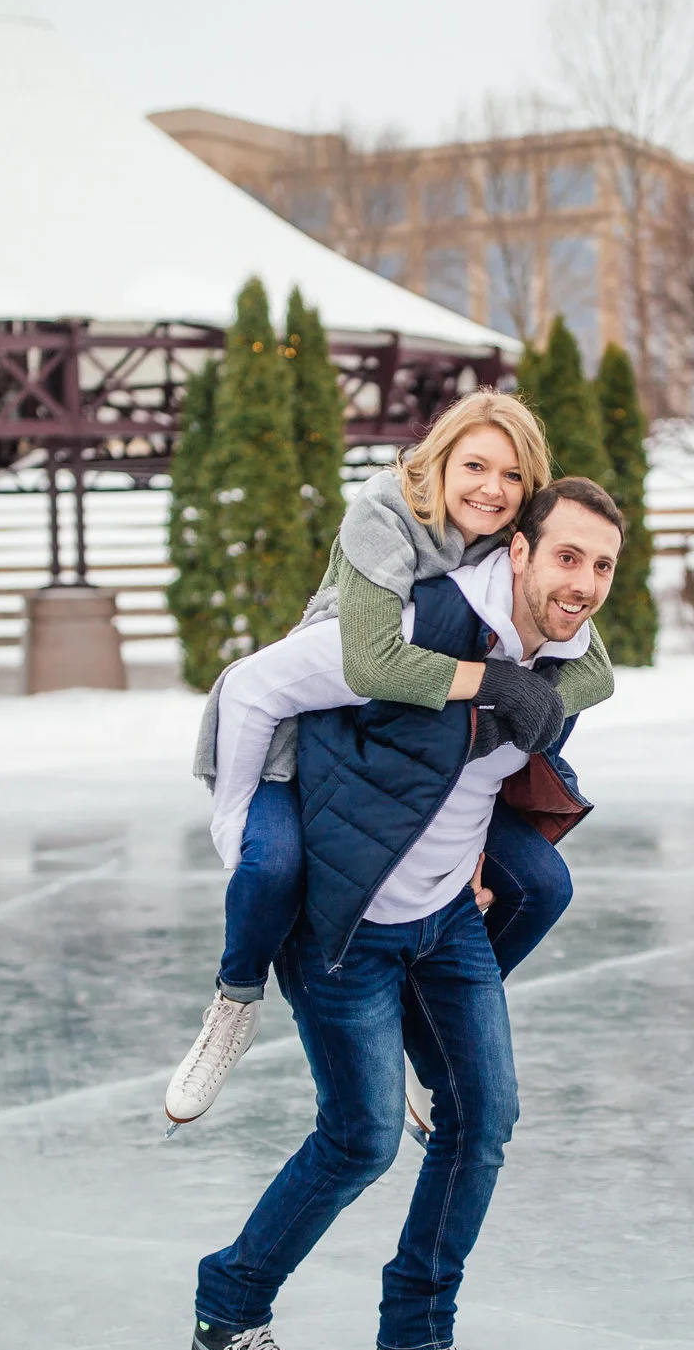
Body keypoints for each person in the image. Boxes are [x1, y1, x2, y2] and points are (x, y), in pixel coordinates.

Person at [185, 478, 626, 1350]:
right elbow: (253, 688)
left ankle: (415, 1342)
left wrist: (475, 857)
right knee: (362, 1136)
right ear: (516, 551)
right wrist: (245, 845)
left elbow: (487, 778)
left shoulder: (557, 658)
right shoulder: (412, 626)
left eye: (601, 564)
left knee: (483, 1117)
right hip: (345, 924)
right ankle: (228, 1315)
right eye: (566, 556)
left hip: (446, 924)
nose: (583, 582)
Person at [168, 392, 615, 1128]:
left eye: (511, 476)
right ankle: (235, 999)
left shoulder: (509, 542)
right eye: (474, 465)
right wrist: (234, 819)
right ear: (438, 461)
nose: (491, 489)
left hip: (413, 753)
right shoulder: (386, 514)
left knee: (538, 882)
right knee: (270, 865)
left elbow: (594, 670)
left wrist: (508, 740)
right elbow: (368, 665)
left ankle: (422, 1025)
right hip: (313, 720)